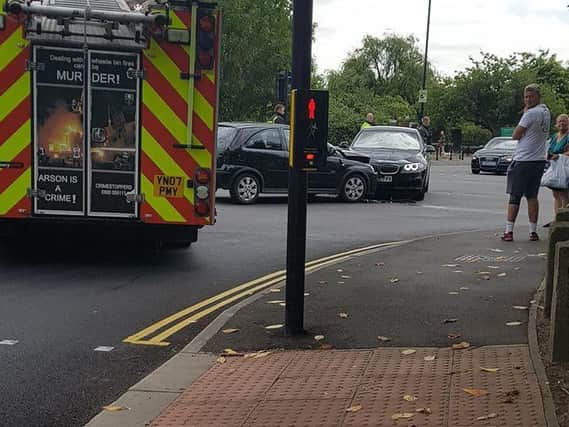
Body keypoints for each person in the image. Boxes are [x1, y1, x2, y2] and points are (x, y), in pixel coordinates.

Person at [502, 84, 551, 242]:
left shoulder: (530, 114)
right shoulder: (545, 111)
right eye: (526, 97)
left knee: (514, 196)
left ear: (538, 97)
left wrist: (525, 112)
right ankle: (532, 231)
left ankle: (509, 231)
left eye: (531, 96)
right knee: (532, 196)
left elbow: (515, 135)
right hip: (538, 160)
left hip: (523, 159)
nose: (528, 100)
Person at [543, 114, 569, 227]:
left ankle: (564, 219)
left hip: (565, 166)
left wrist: (559, 156)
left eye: (564, 121)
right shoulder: (554, 136)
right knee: (555, 193)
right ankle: (557, 218)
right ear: (556, 124)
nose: (561, 123)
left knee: (564, 192)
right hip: (555, 166)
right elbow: (550, 149)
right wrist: (549, 156)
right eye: (559, 121)